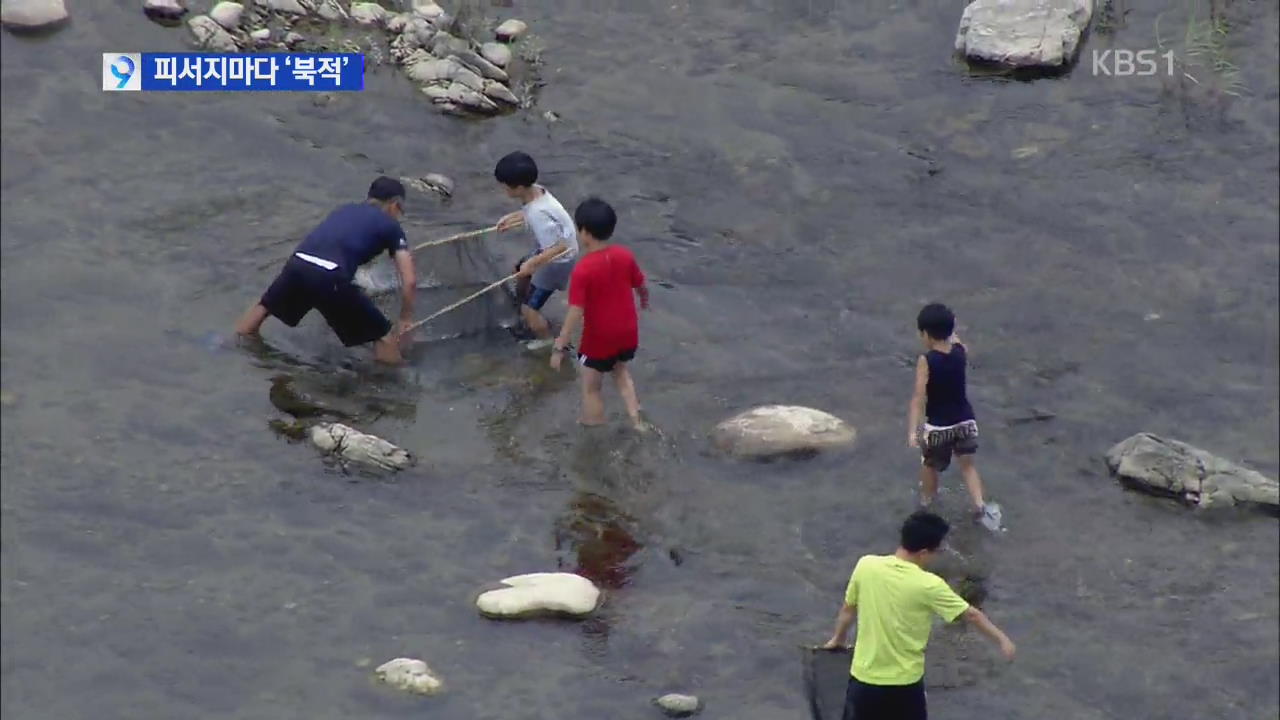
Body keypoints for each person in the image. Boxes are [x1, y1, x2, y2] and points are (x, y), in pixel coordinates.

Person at [821, 511, 1016, 720]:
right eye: (937, 551)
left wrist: (838, 639)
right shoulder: (929, 585)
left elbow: (848, 610)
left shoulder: (866, 566)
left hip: (863, 683)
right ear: (924, 553)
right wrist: (1002, 640)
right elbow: (972, 616)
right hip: (904, 687)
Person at [235, 177, 416, 365]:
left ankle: (236, 351)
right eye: (400, 211)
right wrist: (405, 319)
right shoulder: (391, 226)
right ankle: (391, 386)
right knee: (384, 337)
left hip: (298, 263)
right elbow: (409, 281)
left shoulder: (344, 210)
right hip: (330, 276)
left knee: (263, 308)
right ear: (395, 205)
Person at [550, 198, 649, 430]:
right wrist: (644, 301)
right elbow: (641, 285)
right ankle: (637, 421)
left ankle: (592, 425)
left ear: (584, 232)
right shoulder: (625, 255)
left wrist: (559, 345)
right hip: (627, 332)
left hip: (599, 339)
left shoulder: (583, 270)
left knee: (591, 388)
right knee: (621, 373)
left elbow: (576, 311)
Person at [907, 303, 998, 525]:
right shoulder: (960, 353)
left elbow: (919, 397)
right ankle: (980, 507)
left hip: (939, 426)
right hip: (965, 421)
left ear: (925, 334)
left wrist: (913, 431)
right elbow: (956, 340)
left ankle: (927, 505)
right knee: (968, 466)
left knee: (930, 465)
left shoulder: (926, 360)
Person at [492, 151, 579, 344]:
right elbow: (530, 211)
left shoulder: (539, 215)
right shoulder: (537, 191)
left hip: (558, 260)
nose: (503, 189)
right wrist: (512, 218)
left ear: (520, 187)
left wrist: (532, 263)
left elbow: (559, 247)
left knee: (531, 312)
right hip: (550, 248)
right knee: (519, 271)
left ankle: (545, 341)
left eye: (505, 185)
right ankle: (521, 303)